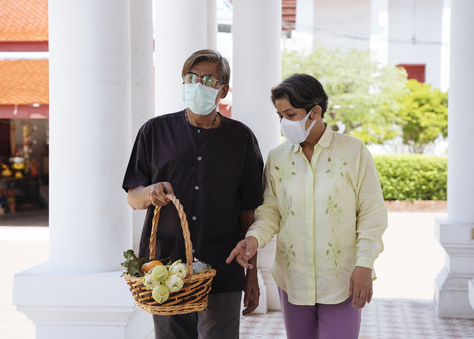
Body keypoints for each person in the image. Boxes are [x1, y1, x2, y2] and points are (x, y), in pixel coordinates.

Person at [226, 74, 388, 339]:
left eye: (290, 114)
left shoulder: (354, 152)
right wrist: (253, 238)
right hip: (293, 279)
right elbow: (270, 211)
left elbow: (372, 213)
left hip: (343, 278)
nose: (283, 123)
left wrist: (365, 264)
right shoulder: (277, 158)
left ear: (315, 112)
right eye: (280, 116)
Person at [122, 49, 263, 339]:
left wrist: (252, 273)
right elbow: (133, 197)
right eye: (191, 77)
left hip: (223, 264)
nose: (197, 84)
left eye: (208, 79)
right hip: (166, 268)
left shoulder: (242, 139)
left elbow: (249, 211)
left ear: (223, 90)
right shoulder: (154, 131)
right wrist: (150, 192)